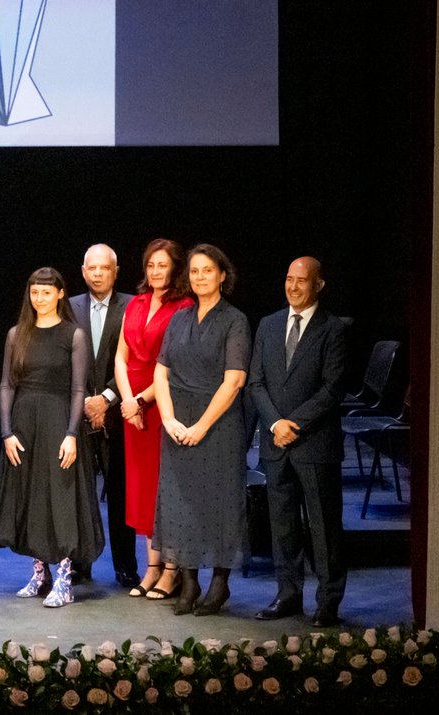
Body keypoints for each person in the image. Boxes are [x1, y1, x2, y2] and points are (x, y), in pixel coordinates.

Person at [0, 268, 104, 607]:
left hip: (58, 422)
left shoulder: (73, 335)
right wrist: (6, 432)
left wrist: (71, 433)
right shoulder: (16, 334)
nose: (40, 299)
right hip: (24, 422)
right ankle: (40, 573)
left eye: (47, 293)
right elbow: (7, 384)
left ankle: (64, 577)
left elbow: (79, 388)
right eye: (35, 292)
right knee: (29, 496)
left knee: (59, 497)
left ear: (60, 294)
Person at [248, 256, 349, 627]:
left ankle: (328, 601)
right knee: (283, 524)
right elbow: (255, 382)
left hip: (315, 444)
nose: (292, 286)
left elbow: (333, 389)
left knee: (323, 528)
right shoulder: (269, 325)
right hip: (277, 444)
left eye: (301, 281)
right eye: (288, 279)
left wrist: (295, 424)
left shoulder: (333, 329)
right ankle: (288, 594)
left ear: (318, 285)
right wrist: (275, 423)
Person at [152, 243, 251, 616]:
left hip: (217, 424)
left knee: (220, 504)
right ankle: (189, 581)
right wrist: (169, 419)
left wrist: (201, 426)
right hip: (177, 422)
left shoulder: (234, 320)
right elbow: (161, 372)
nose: (199, 277)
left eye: (207, 270)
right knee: (181, 503)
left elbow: (235, 380)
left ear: (222, 275)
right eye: (194, 271)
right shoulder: (179, 318)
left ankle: (219, 584)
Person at [112, 238, 193, 601]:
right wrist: (128, 402)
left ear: (175, 268)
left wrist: (142, 402)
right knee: (143, 488)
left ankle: (172, 570)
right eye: (150, 265)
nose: (156, 271)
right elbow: (120, 357)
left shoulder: (185, 306)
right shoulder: (136, 303)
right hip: (134, 409)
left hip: (165, 405)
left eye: (163, 265)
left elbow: (175, 364)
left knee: (167, 488)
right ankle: (152, 567)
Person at [69, 243, 137, 590]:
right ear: (83, 272)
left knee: (120, 492)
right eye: (91, 268)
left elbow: (137, 359)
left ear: (115, 271)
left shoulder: (133, 306)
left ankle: (125, 566)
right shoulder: (69, 307)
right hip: (78, 416)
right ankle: (80, 564)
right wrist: (83, 401)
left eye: (104, 268)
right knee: (79, 492)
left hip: (117, 415)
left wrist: (106, 398)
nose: (97, 274)